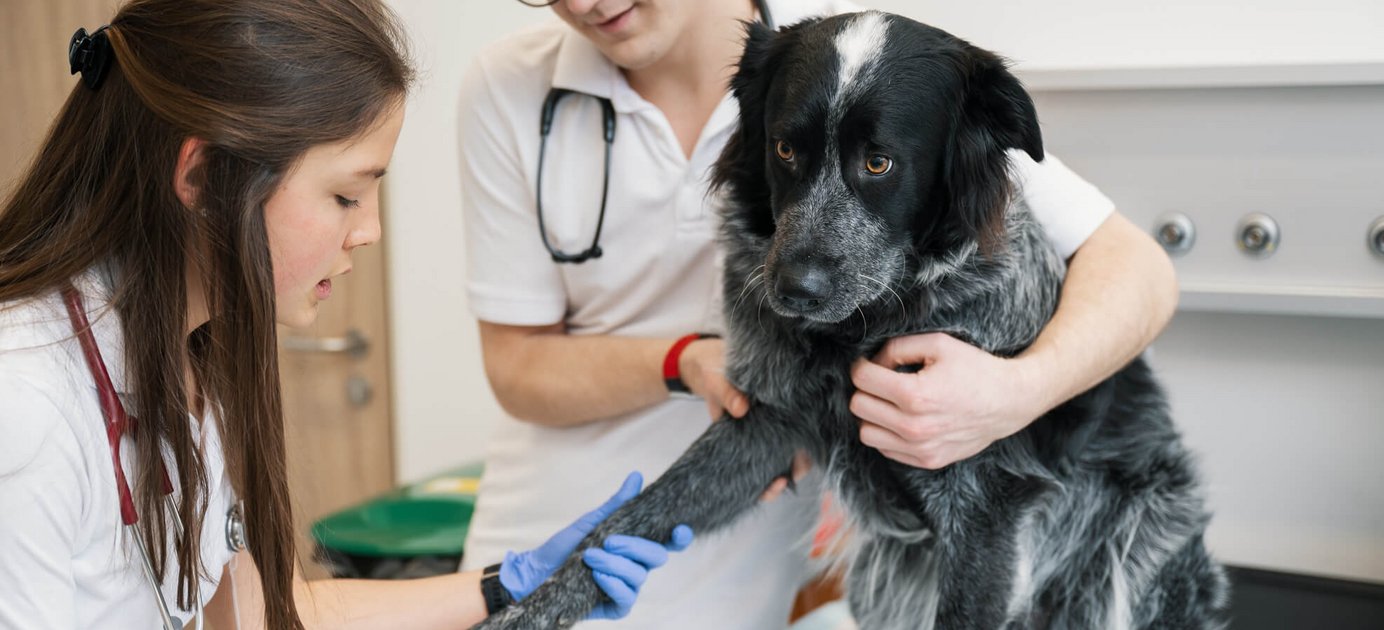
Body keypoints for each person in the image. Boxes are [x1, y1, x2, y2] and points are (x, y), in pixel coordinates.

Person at [457, 0, 1178, 628]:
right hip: (533, 526)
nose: (584, 2)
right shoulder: (507, 83)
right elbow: (517, 366)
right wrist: (690, 362)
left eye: (875, 163)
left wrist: (1012, 394)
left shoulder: (893, 58)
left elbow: (1140, 270)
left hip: (736, 584)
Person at [0, 1, 692, 628]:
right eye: (345, 196)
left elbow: (262, 614)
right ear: (204, 177)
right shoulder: (26, 400)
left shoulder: (184, 357)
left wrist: (511, 585)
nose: (369, 232)